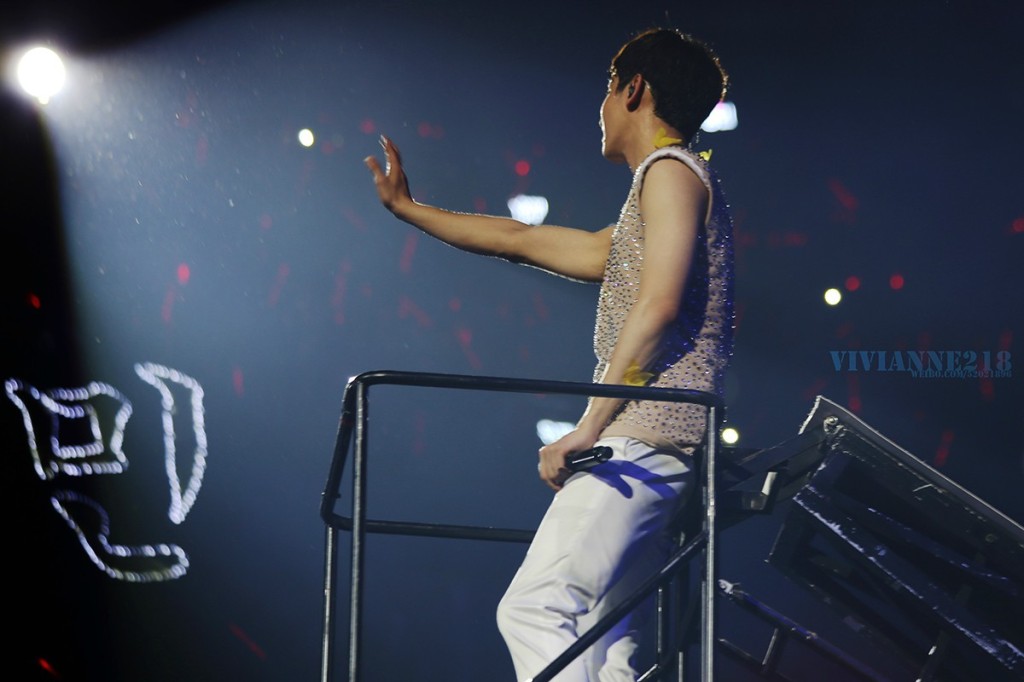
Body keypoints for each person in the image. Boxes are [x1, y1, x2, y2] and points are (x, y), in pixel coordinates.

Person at [364, 27, 733, 682]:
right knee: (601, 646)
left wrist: (587, 428)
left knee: (535, 609)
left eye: (607, 89)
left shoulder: (671, 173)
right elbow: (520, 239)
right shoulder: (658, 192)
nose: (601, 105)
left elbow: (658, 306)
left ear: (634, 90)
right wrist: (410, 210)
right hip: (660, 445)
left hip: (645, 438)